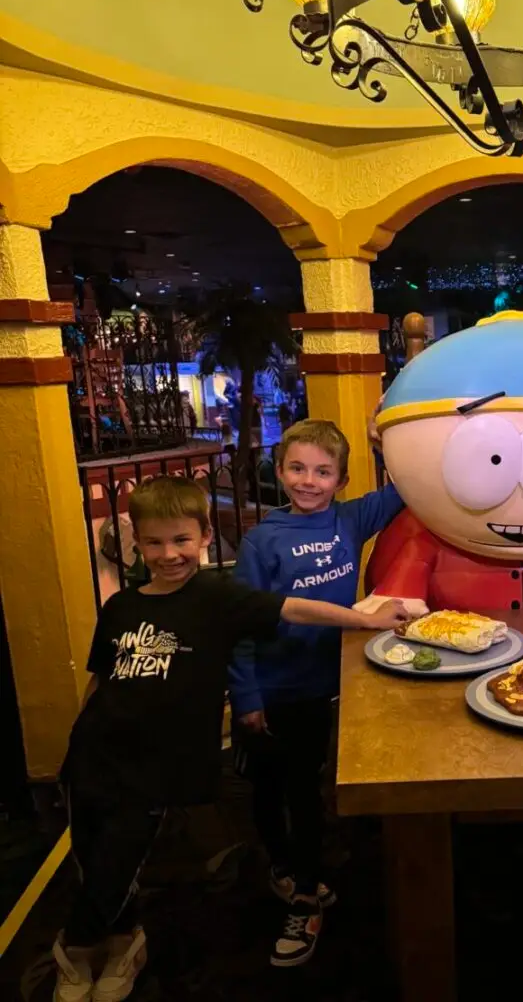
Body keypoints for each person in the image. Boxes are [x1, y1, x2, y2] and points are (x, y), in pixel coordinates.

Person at [54, 476, 406, 1002]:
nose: (168, 554)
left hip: (159, 763)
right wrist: (74, 747)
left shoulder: (218, 596)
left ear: (202, 538)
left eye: (180, 541)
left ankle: (74, 945)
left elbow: (293, 608)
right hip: (93, 755)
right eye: (154, 542)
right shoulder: (121, 608)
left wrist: (363, 620)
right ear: (137, 543)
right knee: (95, 852)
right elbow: (101, 680)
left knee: (121, 853)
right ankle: (126, 939)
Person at [229, 420, 405, 968]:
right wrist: (247, 696)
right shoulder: (262, 540)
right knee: (264, 789)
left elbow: (405, 489)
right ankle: (283, 866)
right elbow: (239, 624)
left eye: (323, 472)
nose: (309, 481)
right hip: (270, 688)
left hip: (319, 688)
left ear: (342, 478)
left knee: (304, 792)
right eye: (298, 469)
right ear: (279, 471)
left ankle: (305, 892)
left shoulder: (350, 519)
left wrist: (386, 442)